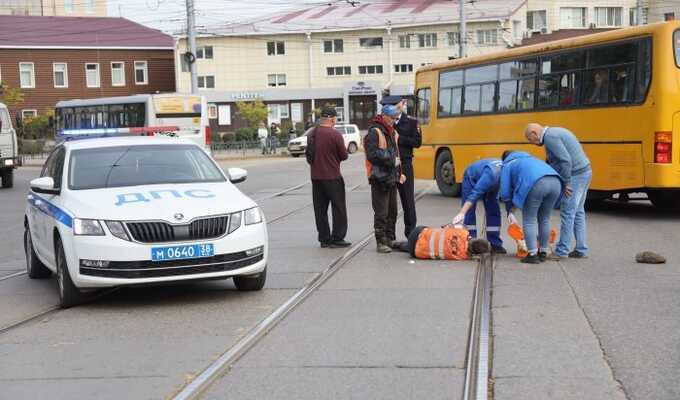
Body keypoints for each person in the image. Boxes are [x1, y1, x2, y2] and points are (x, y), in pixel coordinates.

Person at [524, 123, 592, 259]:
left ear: (534, 133)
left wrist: (566, 182)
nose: (533, 143)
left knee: (568, 212)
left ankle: (562, 251)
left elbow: (565, 160)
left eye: (530, 140)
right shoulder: (555, 132)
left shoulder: (550, 137)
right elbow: (553, 159)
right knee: (578, 212)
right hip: (585, 171)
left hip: (576, 175)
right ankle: (581, 249)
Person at [499, 151, 564, 264]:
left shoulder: (507, 164)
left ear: (504, 159)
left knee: (529, 220)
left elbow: (504, 192)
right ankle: (543, 252)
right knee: (545, 219)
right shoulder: (532, 159)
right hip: (556, 182)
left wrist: (510, 209)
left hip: (536, 183)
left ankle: (532, 254)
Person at [365, 104, 405, 253]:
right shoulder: (374, 132)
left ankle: (390, 239)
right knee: (381, 213)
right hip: (379, 178)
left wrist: (399, 172)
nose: (394, 121)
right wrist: (391, 161)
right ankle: (381, 242)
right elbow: (372, 154)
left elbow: (397, 154)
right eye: (392, 118)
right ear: (385, 116)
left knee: (392, 212)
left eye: (396, 118)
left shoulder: (392, 131)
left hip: (391, 177)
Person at [308, 107, 351, 248]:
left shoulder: (312, 133)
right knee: (338, 208)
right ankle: (338, 237)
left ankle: (324, 239)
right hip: (333, 176)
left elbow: (309, 155)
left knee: (320, 209)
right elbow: (344, 155)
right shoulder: (335, 135)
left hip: (316, 177)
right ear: (332, 119)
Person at [380, 96, 421, 239]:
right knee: (389, 203)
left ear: (402, 105)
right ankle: (389, 235)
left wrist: (399, 138)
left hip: (405, 165)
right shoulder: (384, 122)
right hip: (389, 166)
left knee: (408, 201)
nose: (395, 110)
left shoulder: (411, 122)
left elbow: (417, 142)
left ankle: (410, 234)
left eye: (397, 106)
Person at [451, 158, 507, 254]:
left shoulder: (508, 175)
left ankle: (495, 243)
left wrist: (511, 213)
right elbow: (475, 194)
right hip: (471, 178)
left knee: (494, 210)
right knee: (469, 212)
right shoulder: (491, 176)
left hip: (492, 183)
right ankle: (471, 243)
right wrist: (462, 213)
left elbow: (509, 197)